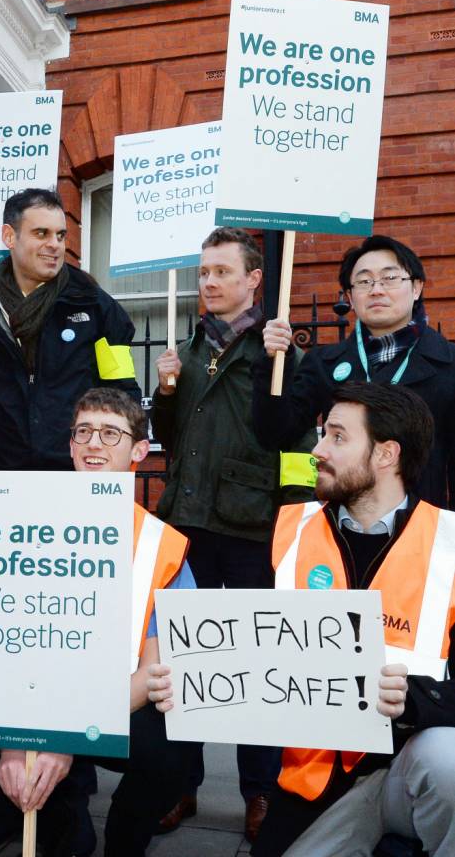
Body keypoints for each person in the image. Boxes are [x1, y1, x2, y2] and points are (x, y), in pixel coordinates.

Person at [149, 381, 455, 857]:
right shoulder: (289, 529)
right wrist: (187, 680)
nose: (318, 450)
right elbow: (241, 651)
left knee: (448, 761)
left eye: (337, 437)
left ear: (386, 454)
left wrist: (417, 700)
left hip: (405, 770)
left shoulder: (448, 544)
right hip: (312, 781)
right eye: (322, 434)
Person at [0, 387, 197, 857]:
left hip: (117, 704)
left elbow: (153, 674)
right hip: (28, 701)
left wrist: (66, 740)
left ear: (139, 451)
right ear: (71, 445)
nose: (94, 443)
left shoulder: (162, 545)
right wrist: (13, 745)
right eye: (84, 432)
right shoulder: (15, 519)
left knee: (171, 753)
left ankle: (124, 841)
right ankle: (60, 818)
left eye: (111, 434)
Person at [149, 227, 318, 841]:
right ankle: (180, 786)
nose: (208, 283)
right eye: (203, 273)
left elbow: (298, 440)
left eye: (221, 272)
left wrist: (292, 517)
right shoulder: (191, 348)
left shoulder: (277, 350)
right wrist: (165, 391)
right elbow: (171, 438)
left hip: (251, 527)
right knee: (184, 661)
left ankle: (259, 792)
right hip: (187, 523)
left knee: (254, 663)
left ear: (253, 280)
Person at [253, 234, 455, 508]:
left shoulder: (449, 364)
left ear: (416, 287)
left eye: (390, 278)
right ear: (350, 296)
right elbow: (275, 433)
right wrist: (275, 362)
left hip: (421, 528)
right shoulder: (324, 363)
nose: (376, 290)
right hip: (340, 525)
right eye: (364, 281)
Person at [0, 188, 141, 472]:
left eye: (60, 235)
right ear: (9, 236)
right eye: (41, 233)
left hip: (75, 475)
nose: (55, 244)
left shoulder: (97, 308)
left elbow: (122, 393)